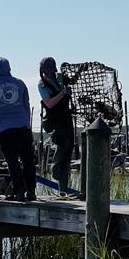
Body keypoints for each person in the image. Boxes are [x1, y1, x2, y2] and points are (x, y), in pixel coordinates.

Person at [0, 57, 35, 202]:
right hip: (23, 127)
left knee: (12, 161)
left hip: (6, 129)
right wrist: (27, 124)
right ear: (9, 69)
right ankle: (31, 191)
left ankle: (19, 191)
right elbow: (26, 105)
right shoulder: (20, 83)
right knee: (28, 161)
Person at [38, 57, 75, 196]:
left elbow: (71, 82)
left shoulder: (60, 78)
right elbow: (49, 103)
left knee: (68, 149)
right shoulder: (42, 85)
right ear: (42, 71)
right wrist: (63, 93)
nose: (50, 73)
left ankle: (63, 190)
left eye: (51, 70)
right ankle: (55, 169)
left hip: (66, 118)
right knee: (62, 145)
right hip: (54, 121)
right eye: (47, 71)